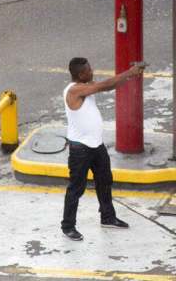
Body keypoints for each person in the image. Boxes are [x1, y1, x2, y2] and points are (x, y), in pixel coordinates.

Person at [61, 57, 146, 241]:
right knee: (76, 188)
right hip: (80, 149)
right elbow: (105, 85)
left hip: (96, 146)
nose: (92, 71)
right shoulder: (75, 90)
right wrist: (130, 73)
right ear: (81, 74)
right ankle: (68, 226)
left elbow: (109, 85)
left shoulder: (85, 85)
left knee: (105, 181)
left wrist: (129, 77)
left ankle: (107, 217)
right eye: (89, 69)